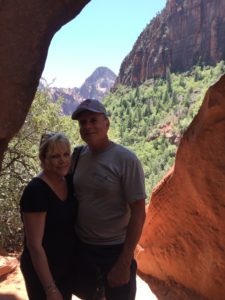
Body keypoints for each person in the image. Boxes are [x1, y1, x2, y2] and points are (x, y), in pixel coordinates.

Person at [71, 99, 146, 300]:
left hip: (115, 251)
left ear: (107, 124)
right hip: (84, 249)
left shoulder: (126, 160)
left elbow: (139, 211)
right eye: (82, 123)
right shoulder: (78, 156)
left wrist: (123, 263)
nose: (87, 126)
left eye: (93, 120)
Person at [20, 132, 77, 300]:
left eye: (66, 154)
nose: (63, 161)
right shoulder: (36, 191)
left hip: (64, 265)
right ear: (43, 159)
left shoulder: (68, 181)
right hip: (42, 270)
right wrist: (50, 288)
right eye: (55, 156)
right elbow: (34, 245)